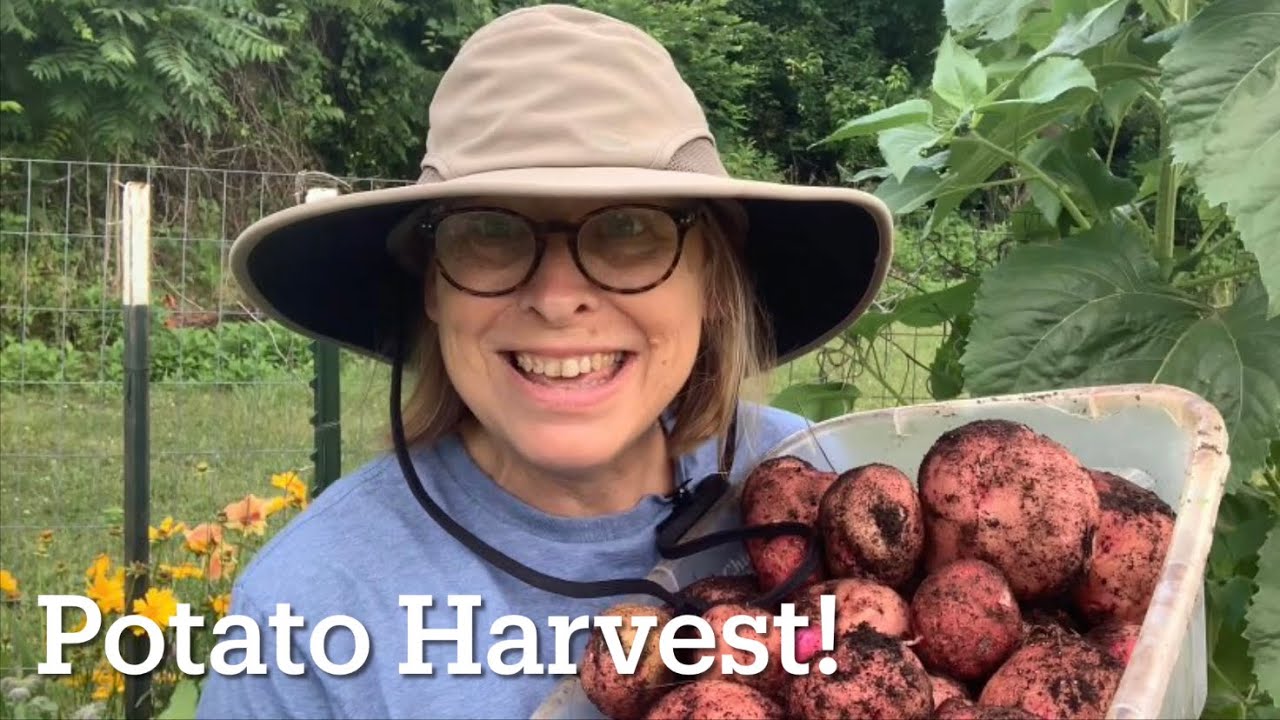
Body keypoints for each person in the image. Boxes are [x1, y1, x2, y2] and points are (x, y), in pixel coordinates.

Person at [194, 4, 892, 718]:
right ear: (434, 287)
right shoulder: (310, 614)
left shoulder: (815, 484)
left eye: (628, 229)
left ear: (711, 282)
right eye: (491, 233)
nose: (559, 299)